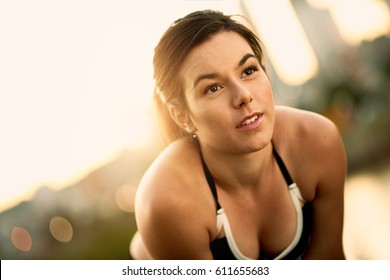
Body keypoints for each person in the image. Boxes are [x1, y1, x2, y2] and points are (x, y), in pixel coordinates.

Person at [130, 10, 346, 260]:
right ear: (182, 116)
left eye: (248, 70)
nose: (243, 95)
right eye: (213, 87)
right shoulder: (169, 203)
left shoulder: (316, 139)